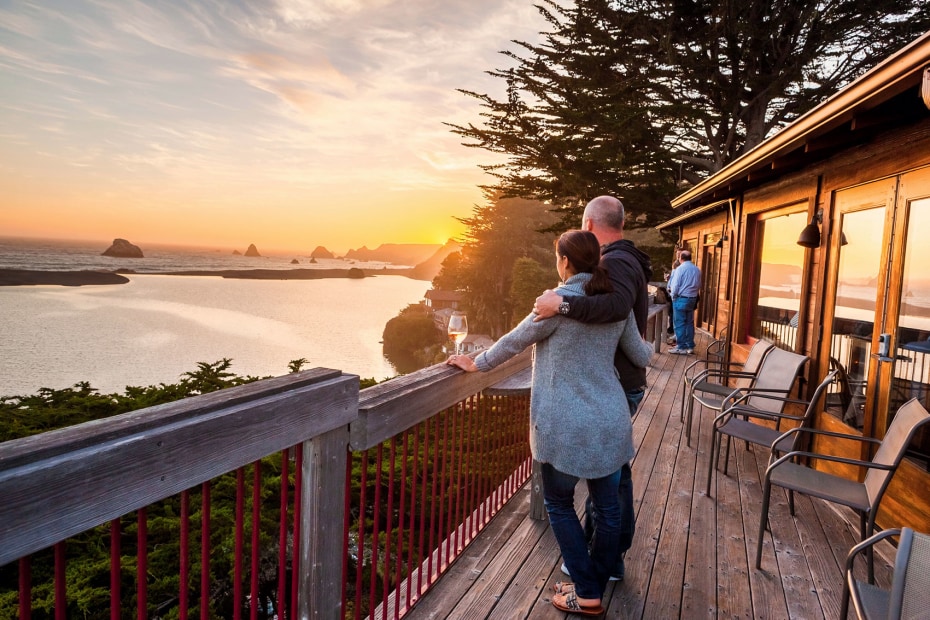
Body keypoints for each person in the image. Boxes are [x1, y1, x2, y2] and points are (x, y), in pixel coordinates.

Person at [448, 230, 653, 615]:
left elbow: (514, 340)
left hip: (564, 427)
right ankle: (590, 581)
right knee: (608, 509)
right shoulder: (613, 305)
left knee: (559, 504)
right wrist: (656, 345)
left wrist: (476, 362)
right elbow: (640, 355)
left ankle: (587, 592)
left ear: (564, 262)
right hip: (610, 422)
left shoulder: (555, 304)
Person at [532, 195, 652, 582]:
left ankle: (600, 567)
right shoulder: (626, 259)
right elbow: (630, 332)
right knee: (610, 482)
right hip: (611, 392)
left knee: (597, 489)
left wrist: (560, 305)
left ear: (587, 226)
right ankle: (602, 562)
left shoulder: (614, 262)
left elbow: (615, 307)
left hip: (603, 391)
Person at [667, 249, 702, 354]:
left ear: (680, 258)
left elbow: (675, 285)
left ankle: (681, 347)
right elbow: (699, 285)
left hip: (681, 298)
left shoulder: (680, 269)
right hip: (692, 299)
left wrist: (673, 297)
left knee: (679, 324)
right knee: (689, 323)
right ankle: (690, 346)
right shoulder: (697, 270)